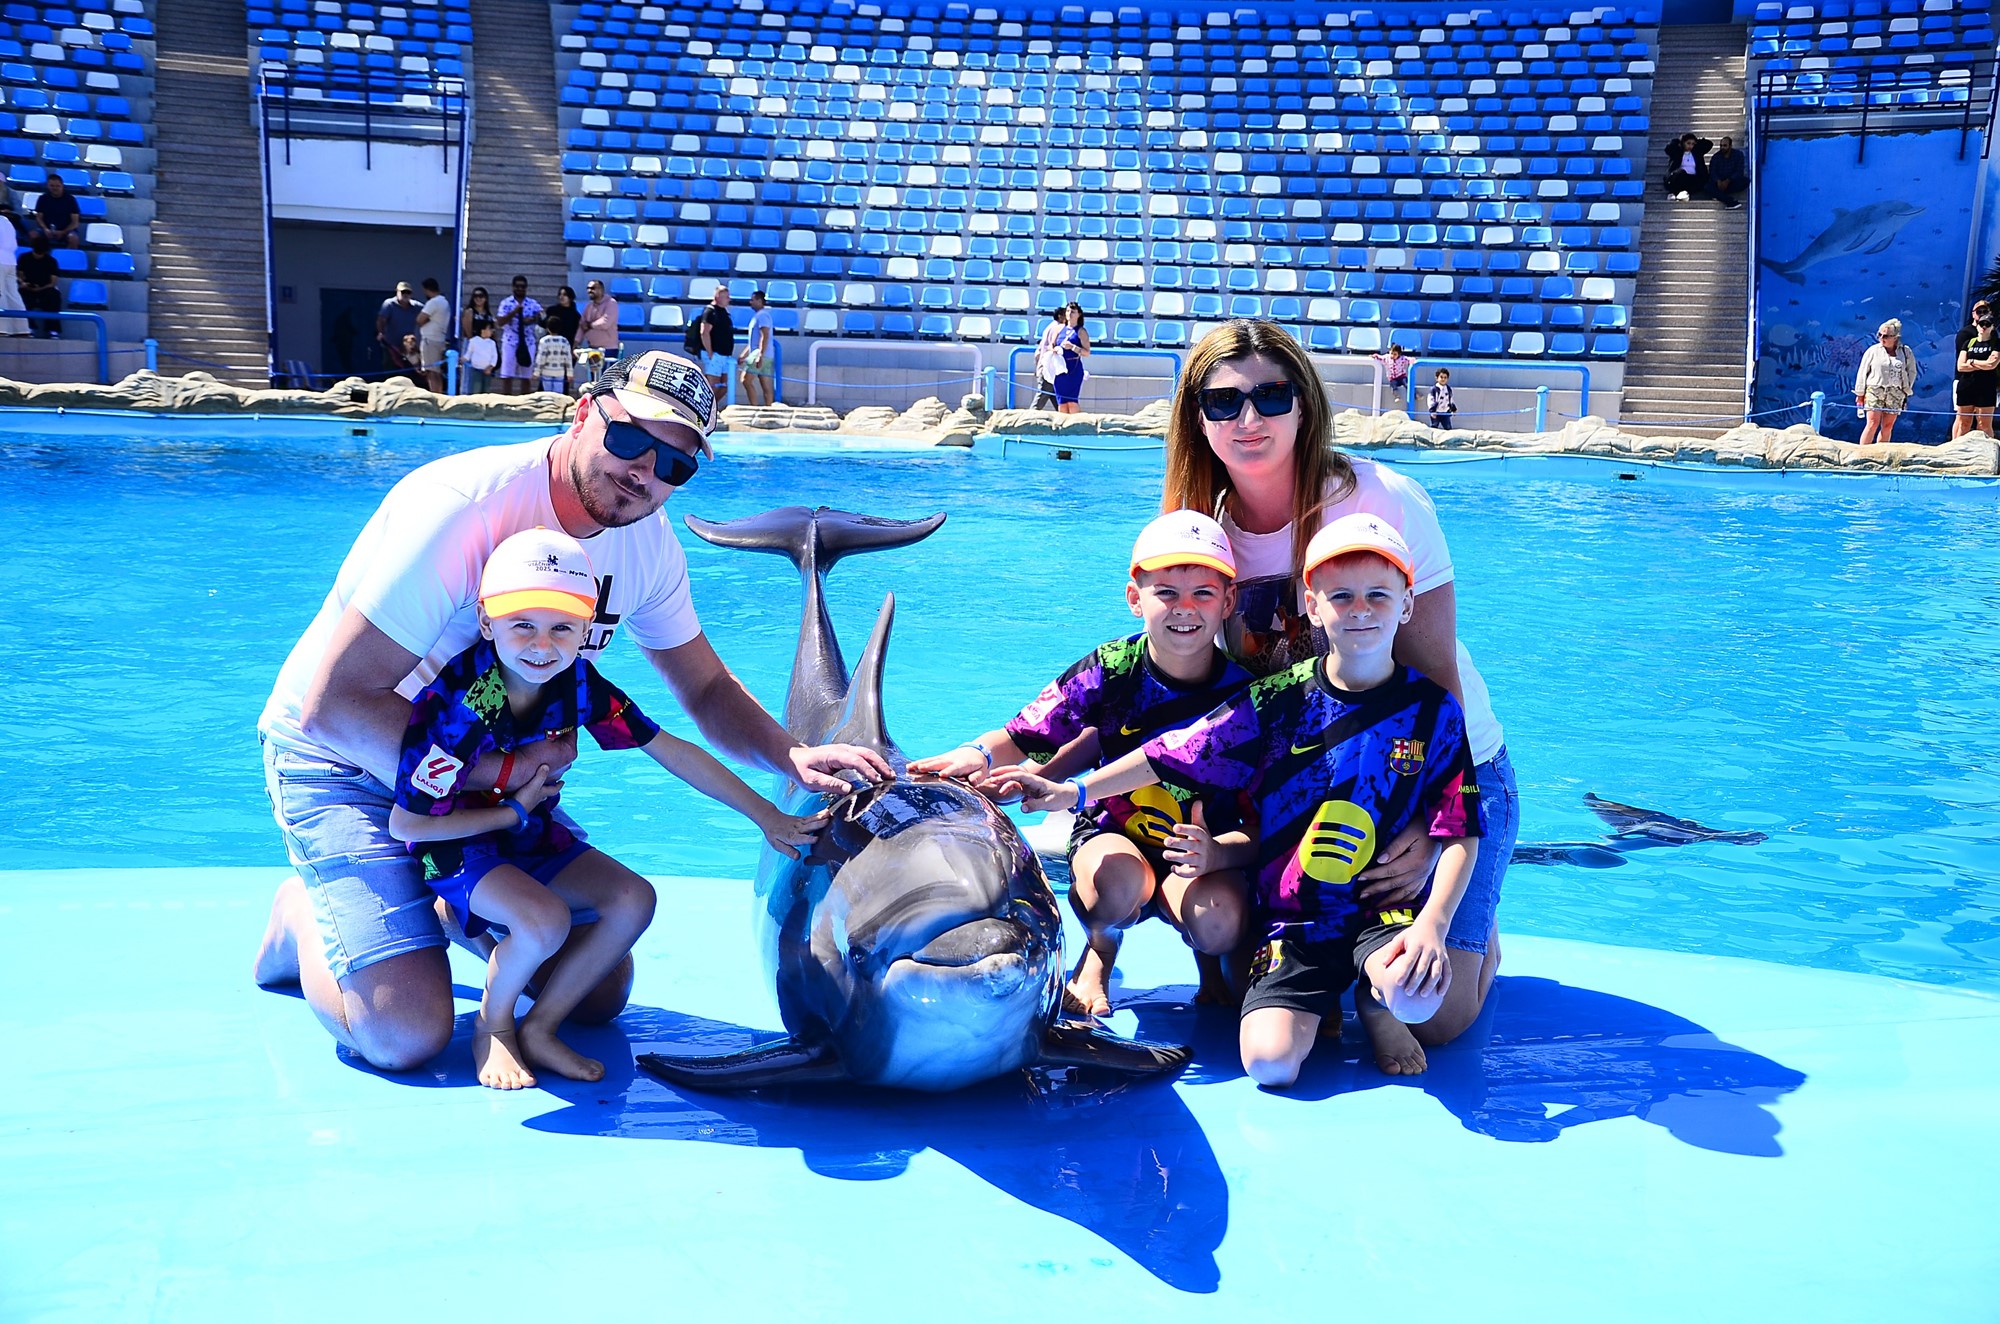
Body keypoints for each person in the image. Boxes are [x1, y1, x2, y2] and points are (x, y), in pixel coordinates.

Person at [252, 349, 891, 1073]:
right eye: (630, 438)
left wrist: (790, 756)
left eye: (674, 464)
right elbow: (333, 707)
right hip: (347, 760)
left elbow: (705, 689)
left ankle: (445, 905)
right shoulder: (462, 510)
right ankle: (305, 914)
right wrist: (507, 773)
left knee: (596, 989)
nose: (644, 471)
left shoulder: (647, 543)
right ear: (585, 412)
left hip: (487, 787)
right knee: (404, 1034)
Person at [1001, 515, 1482, 1084]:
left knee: (1415, 997)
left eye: (1379, 595)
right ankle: (1320, 992)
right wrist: (1075, 790)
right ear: (1312, 605)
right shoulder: (1275, 699)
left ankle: (1377, 1004)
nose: (1361, 610)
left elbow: (1460, 828)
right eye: (1342, 596)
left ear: (1406, 605)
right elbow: (1168, 753)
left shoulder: (1435, 711)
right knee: (1268, 1065)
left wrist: (1434, 923)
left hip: (1384, 908)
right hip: (1294, 920)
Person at [1158, 319, 1517, 1059]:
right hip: (1313, 789)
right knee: (1257, 984)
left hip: (1441, 776)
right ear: (1198, 416)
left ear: (1304, 404)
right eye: (1224, 401)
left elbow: (1436, 689)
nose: (1249, 418)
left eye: (1271, 396)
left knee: (1434, 1016)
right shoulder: (1201, 530)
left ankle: (1478, 931)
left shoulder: (1380, 499)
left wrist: (1428, 837)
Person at [388, 527, 826, 1089]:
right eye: (522, 625)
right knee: (543, 922)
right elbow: (409, 824)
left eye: (562, 628)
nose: (542, 645)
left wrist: (765, 815)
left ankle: (541, 1027)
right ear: (486, 621)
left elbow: (670, 749)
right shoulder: (465, 706)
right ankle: (493, 1026)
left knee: (632, 898)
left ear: (587, 628)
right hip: (453, 846)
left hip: (524, 833)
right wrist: (512, 813)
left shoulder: (577, 684)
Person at [909, 512, 1255, 1017]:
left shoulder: (1248, 697)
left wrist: (1218, 854)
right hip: (1116, 833)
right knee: (1113, 888)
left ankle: (1208, 959)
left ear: (1228, 601)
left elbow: (1265, 821)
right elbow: (1023, 732)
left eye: (1203, 593)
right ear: (1135, 598)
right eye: (1166, 592)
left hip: (1200, 853)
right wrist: (977, 753)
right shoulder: (1111, 669)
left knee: (1219, 923)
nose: (1185, 607)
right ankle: (1100, 949)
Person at [1854, 317, 1918, 445]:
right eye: (1879, 334)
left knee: (1888, 426)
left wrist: (1906, 389)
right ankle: (1862, 452)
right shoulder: (1873, 351)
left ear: (1895, 337)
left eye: (1886, 336)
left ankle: (1880, 453)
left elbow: (1912, 371)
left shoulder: (1905, 351)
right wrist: (1860, 393)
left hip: (1896, 392)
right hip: (1875, 390)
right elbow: (1862, 372)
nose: (1882, 338)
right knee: (1872, 423)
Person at [494, 275, 544, 398]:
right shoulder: (506, 303)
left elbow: (543, 316)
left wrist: (533, 319)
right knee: (507, 374)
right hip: (510, 341)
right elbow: (500, 322)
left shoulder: (532, 303)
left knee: (526, 375)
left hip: (528, 342)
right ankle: (507, 400)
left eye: (523, 286)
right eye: (517, 286)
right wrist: (515, 312)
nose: (520, 289)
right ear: (513, 287)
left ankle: (524, 401)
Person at [1952, 298, 1994, 439]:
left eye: (1984, 311)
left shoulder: (1994, 336)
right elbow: (1961, 364)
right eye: (1978, 311)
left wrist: (1974, 363)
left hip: (1986, 382)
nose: (1981, 314)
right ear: (1973, 313)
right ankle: (1955, 446)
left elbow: (1992, 363)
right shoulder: (1965, 334)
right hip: (1964, 380)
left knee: (1984, 422)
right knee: (1962, 420)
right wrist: (1981, 364)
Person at [685, 286, 735, 398]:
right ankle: (705, 406)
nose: (729, 299)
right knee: (713, 386)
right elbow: (704, 332)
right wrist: (710, 352)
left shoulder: (724, 312)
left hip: (724, 354)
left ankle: (713, 406)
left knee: (725, 386)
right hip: (715, 354)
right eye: (726, 297)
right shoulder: (710, 312)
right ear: (717, 297)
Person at [1049, 302, 1090, 413]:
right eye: (1068, 311)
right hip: (1060, 368)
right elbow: (1051, 344)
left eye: (1073, 312)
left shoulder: (1081, 331)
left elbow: (1087, 352)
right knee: (1062, 402)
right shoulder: (1058, 329)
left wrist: (1072, 347)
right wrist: (1053, 350)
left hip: (1073, 368)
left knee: (1072, 402)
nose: (1070, 314)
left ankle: (1076, 422)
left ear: (1079, 314)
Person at [17, 234, 60, 338]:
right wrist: (23, 283)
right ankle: (28, 327)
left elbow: (53, 283)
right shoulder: (24, 258)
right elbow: (20, 276)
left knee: (54, 296)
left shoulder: (51, 261)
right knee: (21, 296)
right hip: (27, 288)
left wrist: (39, 289)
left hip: (45, 289)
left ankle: (52, 329)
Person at [738, 289, 776, 407]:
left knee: (746, 380)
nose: (750, 302)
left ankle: (754, 407)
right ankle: (768, 408)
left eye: (753, 300)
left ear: (760, 301)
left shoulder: (762, 316)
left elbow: (764, 335)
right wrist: (744, 355)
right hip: (765, 354)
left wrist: (760, 355)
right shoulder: (761, 315)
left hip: (759, 354)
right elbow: (754, 340)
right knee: (765, 384)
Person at [578, 279, 620, 380]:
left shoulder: (611, 303)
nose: (589, 291)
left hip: (608, 349)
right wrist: (576, 342)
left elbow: (606, 323)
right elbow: (582, 325)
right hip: (593, 349)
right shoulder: (589, 306)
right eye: (588, 288)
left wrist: (590, 325)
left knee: (606, 380)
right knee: (594, 380)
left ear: (601, 290)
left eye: (593, 288)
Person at [415, 277, 452, 393]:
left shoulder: (433, 302)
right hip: (440, 339)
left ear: (426, 289)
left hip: (430, 340)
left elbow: (419, 320)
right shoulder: (444, 302)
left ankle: (435, 395)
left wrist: (426, 321)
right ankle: (439, 394)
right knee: (437, 371)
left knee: (431, 371)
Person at [377, 281, 421, 373]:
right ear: (397, 291)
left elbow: (429, 313)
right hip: (391, 345)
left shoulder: (416, 306)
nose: (406, 294)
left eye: (408, 292)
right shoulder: (389, 304)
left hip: (408, 346)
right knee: (390, 369)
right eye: (403, 292)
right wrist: (381, 332)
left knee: (410, 371)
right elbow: (381, 319)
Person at [27, 176, 81, 249]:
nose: (55, 188)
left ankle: (68, 256)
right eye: (52, 186)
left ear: (62, 186)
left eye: (57, 186)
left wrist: (63, 232)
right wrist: (45, 229)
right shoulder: (43, 198)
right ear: (48, 186)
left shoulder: (70, 199)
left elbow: (75, 222)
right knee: (33, 235)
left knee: (73, 238)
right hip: (46, 230)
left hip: (66, 231)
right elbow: (39, 218)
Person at [0, 191, 25, 336]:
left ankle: (2, 328)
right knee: (13, 295)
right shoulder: (7, 222)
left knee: (0, 294)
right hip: (10, 261)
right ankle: (22, 328)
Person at [1031, 308, 1067, 410]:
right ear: (1060, 316)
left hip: (1047, 367)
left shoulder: (1049, 327)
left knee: (1059, 400)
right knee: (1040, 399)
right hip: (1049, 368)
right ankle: (1029, 416)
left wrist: (1037, 367)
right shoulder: (1057, 329)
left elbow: (1038, 352)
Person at [1663, 133, 1711, 201]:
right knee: (1680, 173)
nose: (1690, 146)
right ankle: (1674, 193)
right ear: (1683, 143)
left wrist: (1697, 141)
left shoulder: (1697, 152)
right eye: (1688, 143)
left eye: (1693, 144)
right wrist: (1678, 141)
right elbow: (1668, 149)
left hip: (1693, 178)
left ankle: (1684, 193)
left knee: (1699, 180)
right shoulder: (1677, 151)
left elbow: (1709, 144)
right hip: (1679, 177)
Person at [1707, 137, 1748, 210]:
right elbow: (1712, 171)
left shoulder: (1738, 155)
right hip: (1719, 183)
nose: (1722, 147)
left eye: (1725, 145)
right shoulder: (1716, 157)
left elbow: (1739, 171)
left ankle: (1718, 195)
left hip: (1732, 181)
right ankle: (1731, 201)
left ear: (1730, 146)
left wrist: (1728, 180)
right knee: (1707, 186)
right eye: (1721, 145)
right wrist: (1718, 181)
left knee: (1745, 181)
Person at [535, 324, 575, 396]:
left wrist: (536, 373)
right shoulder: (564, 341)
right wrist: (569, 374)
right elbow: (568, 359)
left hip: (546, 372)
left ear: (548, 329)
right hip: (559, 372)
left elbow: (541, 358)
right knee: (558, 395)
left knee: (547, 395)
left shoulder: (544, 341)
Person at [461, 322, 499, 395]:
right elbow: (469, 354)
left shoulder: (492, 343)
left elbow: (494, 356)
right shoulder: (474, 341)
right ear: (482, 330)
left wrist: (490, 367)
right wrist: (462, 359)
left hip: (487, 371)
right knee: (476, 389)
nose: (491, 331)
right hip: (476, 370)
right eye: (489, 329)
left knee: (486, 390)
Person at [1371, 342, 1410, 408]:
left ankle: (1415, 394)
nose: (1392, 355)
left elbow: (1409, 360)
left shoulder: (1402, 359)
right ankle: (1397, 396)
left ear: (1399, 354)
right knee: (1393, 386)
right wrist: (1375, 356)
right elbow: (1380, 358)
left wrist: (1413, 360)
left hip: (1401, 376)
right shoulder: (1387, 358)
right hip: (1393, 378)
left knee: (1407, 384)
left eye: (1395, 354)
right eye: (1391, 353)